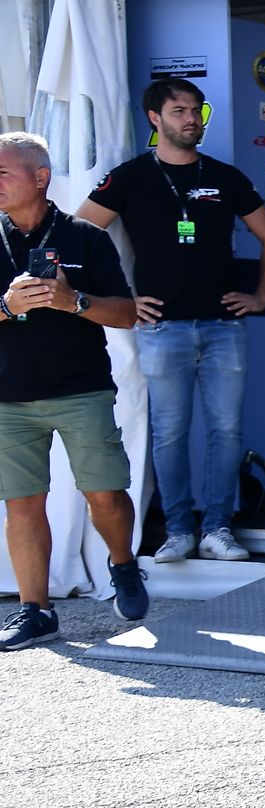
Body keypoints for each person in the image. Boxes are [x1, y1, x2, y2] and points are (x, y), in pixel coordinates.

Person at [76, 78, 265, 562]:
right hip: (161, 328)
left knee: (226, 431)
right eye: (179, 111)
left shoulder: (226, 177)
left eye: (196, 110)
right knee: (170, 433)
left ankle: (217, 528)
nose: (191, 119)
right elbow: (79, 234)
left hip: (223, 326)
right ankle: (177, 531)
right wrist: (122, 300)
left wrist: (261, 296)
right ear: (155, 118)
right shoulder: (129, 177)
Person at [0, 133, 149, 647]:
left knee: (105, 494)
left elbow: (126, 315)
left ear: (40, 177)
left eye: (3, 173)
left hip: (81, 391)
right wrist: (7, 307)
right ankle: (35, 610)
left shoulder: (86, 236)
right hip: (8, 398)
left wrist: (74, 301)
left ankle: (123, 565)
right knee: (22, 504)